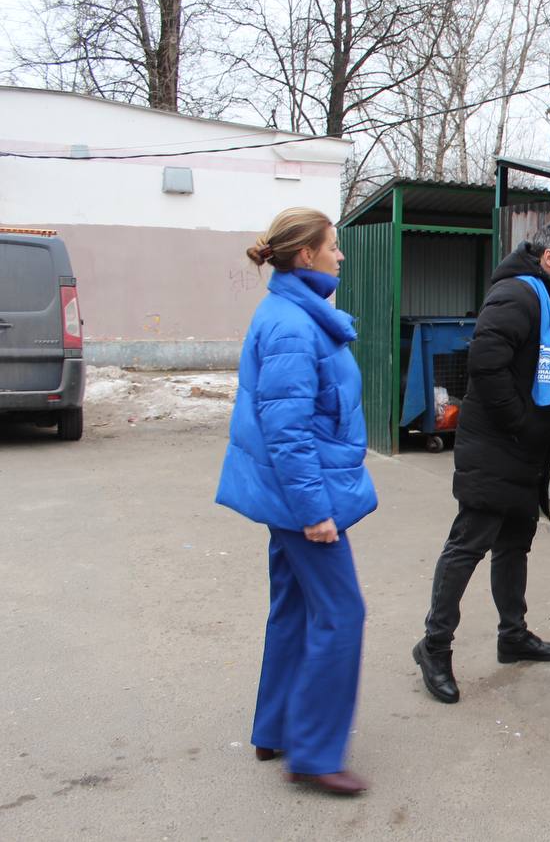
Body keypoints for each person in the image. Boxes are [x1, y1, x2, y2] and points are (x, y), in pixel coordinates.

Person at [215, 207, 377, 795]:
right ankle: (313, 752)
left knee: (293, 606)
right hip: (303, 498)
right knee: (341, 613)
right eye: (333, 247)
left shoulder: (296, 312)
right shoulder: (290, 325)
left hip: (294, 493)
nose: (340, 255)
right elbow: (286, 431)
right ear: (305, 255)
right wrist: (314, 513)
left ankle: (276, 726)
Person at [412, 223, 550, 704]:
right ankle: (433, 647)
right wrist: (521, 423)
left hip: (522, 450)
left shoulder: (544, 298)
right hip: (499, 446)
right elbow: (486, 364)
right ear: (549, 259)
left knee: (515, 544)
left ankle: (513, 635)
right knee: (468, 544)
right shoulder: (516, 294)